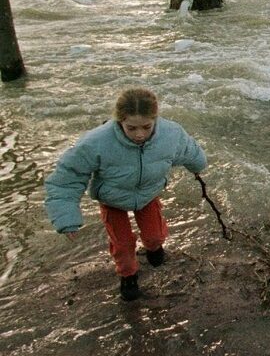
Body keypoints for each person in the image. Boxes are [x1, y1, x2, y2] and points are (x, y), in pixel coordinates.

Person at [45, 88, 207, 301]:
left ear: (155, 119)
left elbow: (189, 151)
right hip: (112, 199)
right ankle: (128, 276)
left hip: (148, 194)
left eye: (146, 127)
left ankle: (154, 248)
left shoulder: (171, 133)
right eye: (131, 128)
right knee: (122, 245)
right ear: (120, 121)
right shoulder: (96, 141)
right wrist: (66, 218)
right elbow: (67, 177)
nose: (140, 134)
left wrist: (197, 166)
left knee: (154, 236)